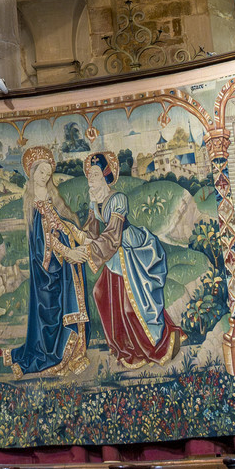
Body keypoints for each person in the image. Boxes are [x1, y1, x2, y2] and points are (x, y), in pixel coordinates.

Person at [77, 152, 179, 366]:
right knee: (100, 293)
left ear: (106, 176)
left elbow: (114, 233)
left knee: (131, 304)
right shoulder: (94, 200)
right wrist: (80, 237)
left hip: (130, 248)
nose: (90, 180)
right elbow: (93, 229)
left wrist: (90, 247)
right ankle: (124, 346)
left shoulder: (118, 198)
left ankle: (155, 344)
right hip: (114, 250)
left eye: (95, 174)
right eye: (89, 175)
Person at [9, 145, 89, 375]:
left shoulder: (52, 199)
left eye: (48, 173)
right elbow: (43, 241)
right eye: (41, 172)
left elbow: (61, 223)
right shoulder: (33, 204)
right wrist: (68, 252)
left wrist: (78, 235)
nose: (45, 177)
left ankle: (71, 353)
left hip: (61, 265)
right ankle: (50, 356)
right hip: (47, 268)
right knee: (49, 311)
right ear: (32, 173)